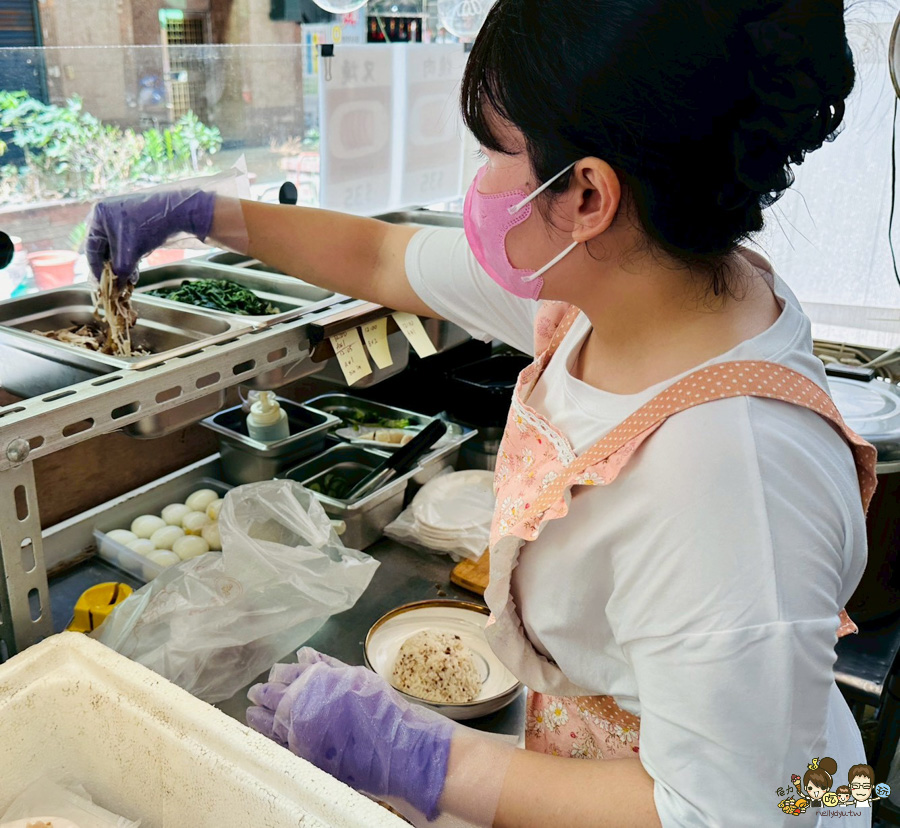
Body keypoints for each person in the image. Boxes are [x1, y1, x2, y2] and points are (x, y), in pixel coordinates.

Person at [86, 1, 875, 825]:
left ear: (588, 194)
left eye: (496, 149)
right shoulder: (624, 294)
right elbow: (383, 256)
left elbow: (724, 814)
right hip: (595, 752)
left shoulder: (729, 477)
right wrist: (203, 215)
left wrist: (426, 760)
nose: (479, 180)